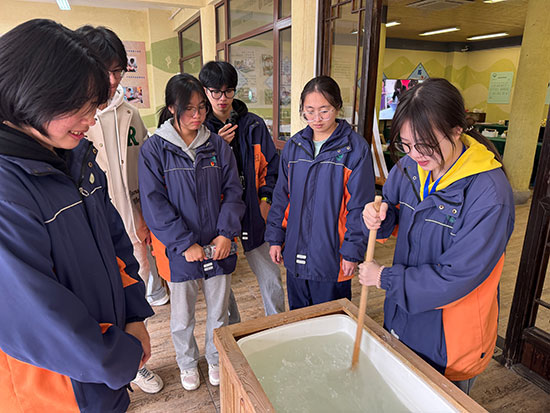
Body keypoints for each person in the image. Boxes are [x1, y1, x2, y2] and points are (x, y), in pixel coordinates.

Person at [0, 19, 154, 412]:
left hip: (102, 373)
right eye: (82, 107)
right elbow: (37, 317)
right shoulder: (8, 189)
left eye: (94, 106)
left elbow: (115, 243)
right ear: (35, 93)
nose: (91, 119)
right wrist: (118, 356)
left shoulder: (73, 159)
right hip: (55, 394)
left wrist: (133, 314)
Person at [359, 78, 515, 395]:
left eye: (425, 144)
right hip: (404, 317)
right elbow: (391, 210)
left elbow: (458, 277)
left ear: (457, 130)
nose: (415, 154)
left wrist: (385, 278)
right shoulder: (409, 168)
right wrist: (377, 215)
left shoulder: (488, 193)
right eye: (405, 145)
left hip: (451, 338)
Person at [138, 74, 245, 391]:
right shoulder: (154, 149)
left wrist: (225, 234)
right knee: (182, 316)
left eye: (202, 107)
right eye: (189, 108)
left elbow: (233, 191)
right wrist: (185, 243)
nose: (197, 115)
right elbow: (154, 203)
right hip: (179, 251)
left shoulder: (217, 146)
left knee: (219, 312)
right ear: (172, 108)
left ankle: (214, 357)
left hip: (217, 245)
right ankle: (187, 363)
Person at [76, 25, 167, 394]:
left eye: (118, 71)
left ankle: (135, 365)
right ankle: (109, 372)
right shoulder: (73, 119)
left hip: (127, 220)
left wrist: (143, 218)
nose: (112, 80)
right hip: (86, 227)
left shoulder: (130, 114)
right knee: (95, 302)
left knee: (132, 294)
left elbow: (144, 173)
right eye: (105, 70)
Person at [266, 75, 375, 310]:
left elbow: (359, 207)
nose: (317, 119)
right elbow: (282, 197)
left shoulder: (355, 149)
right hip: (295, 252)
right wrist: (275, 238)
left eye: (324, 111)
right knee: (299, 317)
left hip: (332, 257)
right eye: (310, 111)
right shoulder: (294, 147)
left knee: (331, 320)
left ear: (337, 107)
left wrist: (352, 252)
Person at [199, 61, 285, 319]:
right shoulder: (198, 128)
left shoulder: (253, 125)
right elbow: (194, 174)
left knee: (270, 277)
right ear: (204, 91)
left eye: (228, 91)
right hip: (217, 216)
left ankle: (277, 323)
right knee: (221, 283)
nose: (222, 98)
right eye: (215, 91)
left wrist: (265, 199)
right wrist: (216, 145)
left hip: (254, 211)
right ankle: (232, 329)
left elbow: (272, 167)